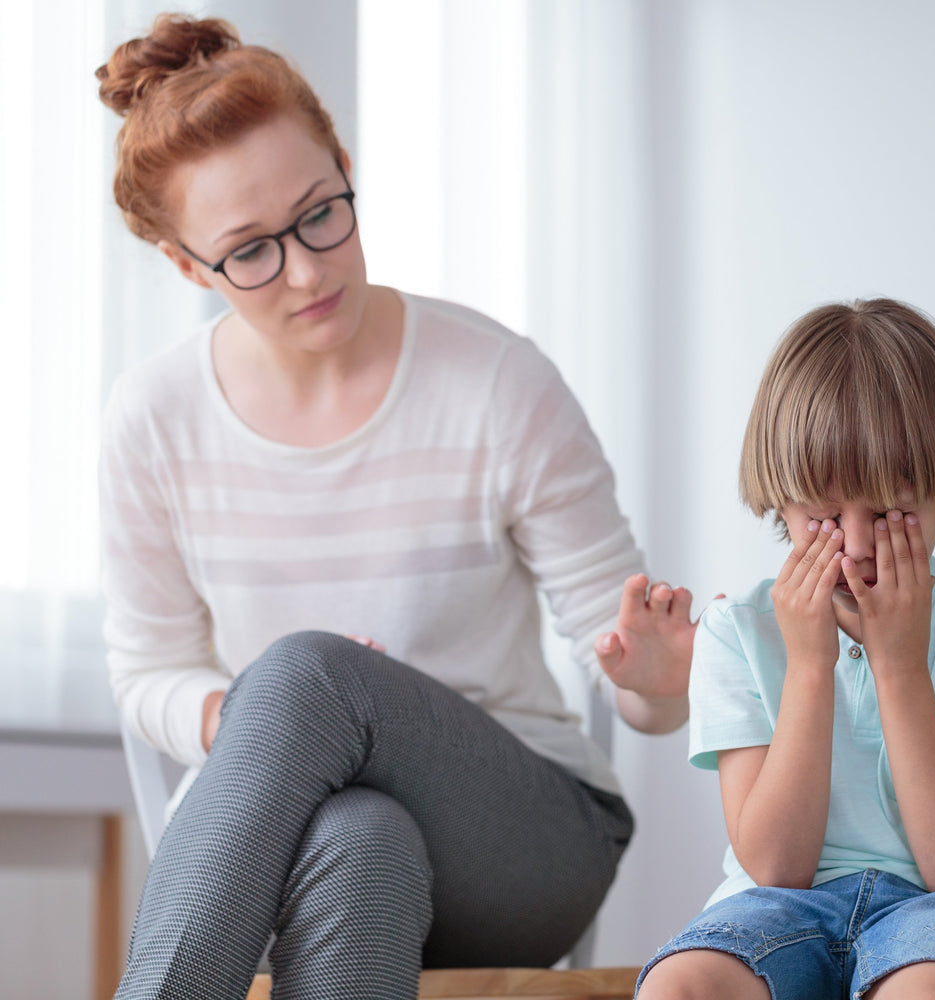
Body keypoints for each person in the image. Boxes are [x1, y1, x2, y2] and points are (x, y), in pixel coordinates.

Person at [95, 14, 697, 999]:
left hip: (528, 843)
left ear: (344, 167)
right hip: (297, 843)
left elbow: (634, 677)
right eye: (249, 252)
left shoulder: (497, 380)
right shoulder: (153, 417)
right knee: (356, 829)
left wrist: (659, 684)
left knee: (306, 674)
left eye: (319, 214)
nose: (307, 269)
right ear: (187, 266)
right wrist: (254, 713)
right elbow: (149, 671)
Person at [635, 300, 935, 1000]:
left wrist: (899, 664)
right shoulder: (737, 631)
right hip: (780, 909)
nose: (860, 544)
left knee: (926, 991)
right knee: (678, 985)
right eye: (825, 516)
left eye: (891, 512)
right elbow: (776, 868)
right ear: (781, 501)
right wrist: (810, 666)